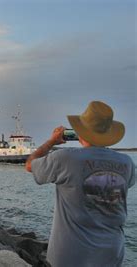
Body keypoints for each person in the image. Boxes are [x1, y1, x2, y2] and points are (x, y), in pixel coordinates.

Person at [25, 101, 135, 267]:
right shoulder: (126, 162)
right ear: (108, 133)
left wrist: (52, 141)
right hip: (112, 253)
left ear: (80, 132)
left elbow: (30, 165)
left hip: (71, 254)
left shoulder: (65, 158)